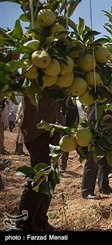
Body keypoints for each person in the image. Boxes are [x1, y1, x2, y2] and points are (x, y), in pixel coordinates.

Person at [18, 95, 65, 231]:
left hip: (51, 128)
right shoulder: (40, 74)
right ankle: (24, 225)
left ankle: (39, 220)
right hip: (40, 128)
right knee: (39, 176)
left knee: (49, 178)